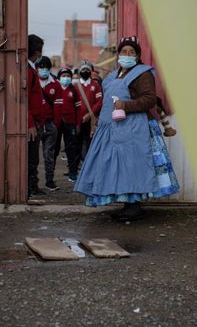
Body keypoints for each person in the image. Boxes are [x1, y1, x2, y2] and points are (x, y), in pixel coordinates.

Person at [74, 36, 180, 221]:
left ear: (138, 56)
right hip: (112, 129)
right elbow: (105, 102)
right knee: (118, 168)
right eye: (124, 52)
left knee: (133, 166)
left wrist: (126, 105)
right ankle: (126, 204)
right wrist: (98, 122)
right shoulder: (111, 76)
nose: (127, 55)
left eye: (132, 52)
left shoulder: (143, 74)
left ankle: (134, 207)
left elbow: (149, 99)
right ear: (118, 55)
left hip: (135, 129)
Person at [51, 67, 81, 182]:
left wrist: (77, 124)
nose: (66, 78)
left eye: (68, 76)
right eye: (63, 76)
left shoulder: (73, 90)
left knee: (71, 148)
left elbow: (78, 108)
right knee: (55, 148)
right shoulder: (55, 88)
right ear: (59, 77)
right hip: (57, 124)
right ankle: (50, 174)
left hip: (70, 123)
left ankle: (72, 173)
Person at [35, 56, 59, 191]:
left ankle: (49, 181)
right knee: (33, 156)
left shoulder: (55, 84)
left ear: (50, 69)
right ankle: (33, 183)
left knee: (48, 154)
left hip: (50, 125)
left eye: (46, 67)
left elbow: (58, 106)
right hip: (36, 125)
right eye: (41, 67)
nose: (43, 70)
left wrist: (55, 124)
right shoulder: (33, 82)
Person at [27, 34, 46, 197]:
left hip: (35, 120)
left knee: (34, 156)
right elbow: (24, 100)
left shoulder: (31, 69)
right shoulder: (28, 71)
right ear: (37, 52)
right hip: (31, 122)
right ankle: (30, 187)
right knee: (32, 157)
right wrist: (30, 123)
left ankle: (33, 185)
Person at [75, 60, 102, 163]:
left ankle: (88, 165)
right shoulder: (75, 86)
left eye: (87, 69)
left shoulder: (95, 85)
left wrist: (90, 115)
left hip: (91, 121)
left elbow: (99, 102)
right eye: (83, 69)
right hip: (78, 120)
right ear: (79, 71)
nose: (85, 71)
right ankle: (74, 168)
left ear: (91, 71)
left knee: (90, 143)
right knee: (77, 144)